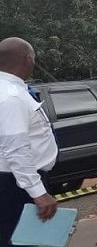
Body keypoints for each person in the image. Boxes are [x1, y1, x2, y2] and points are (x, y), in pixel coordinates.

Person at [0, 38, 58, 247]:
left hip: (14, 181)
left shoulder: (7, 90)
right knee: (21, 240)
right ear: (27, 60)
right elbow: (16, 149)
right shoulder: (11, 96)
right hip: (15, 185)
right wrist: (38, 193)